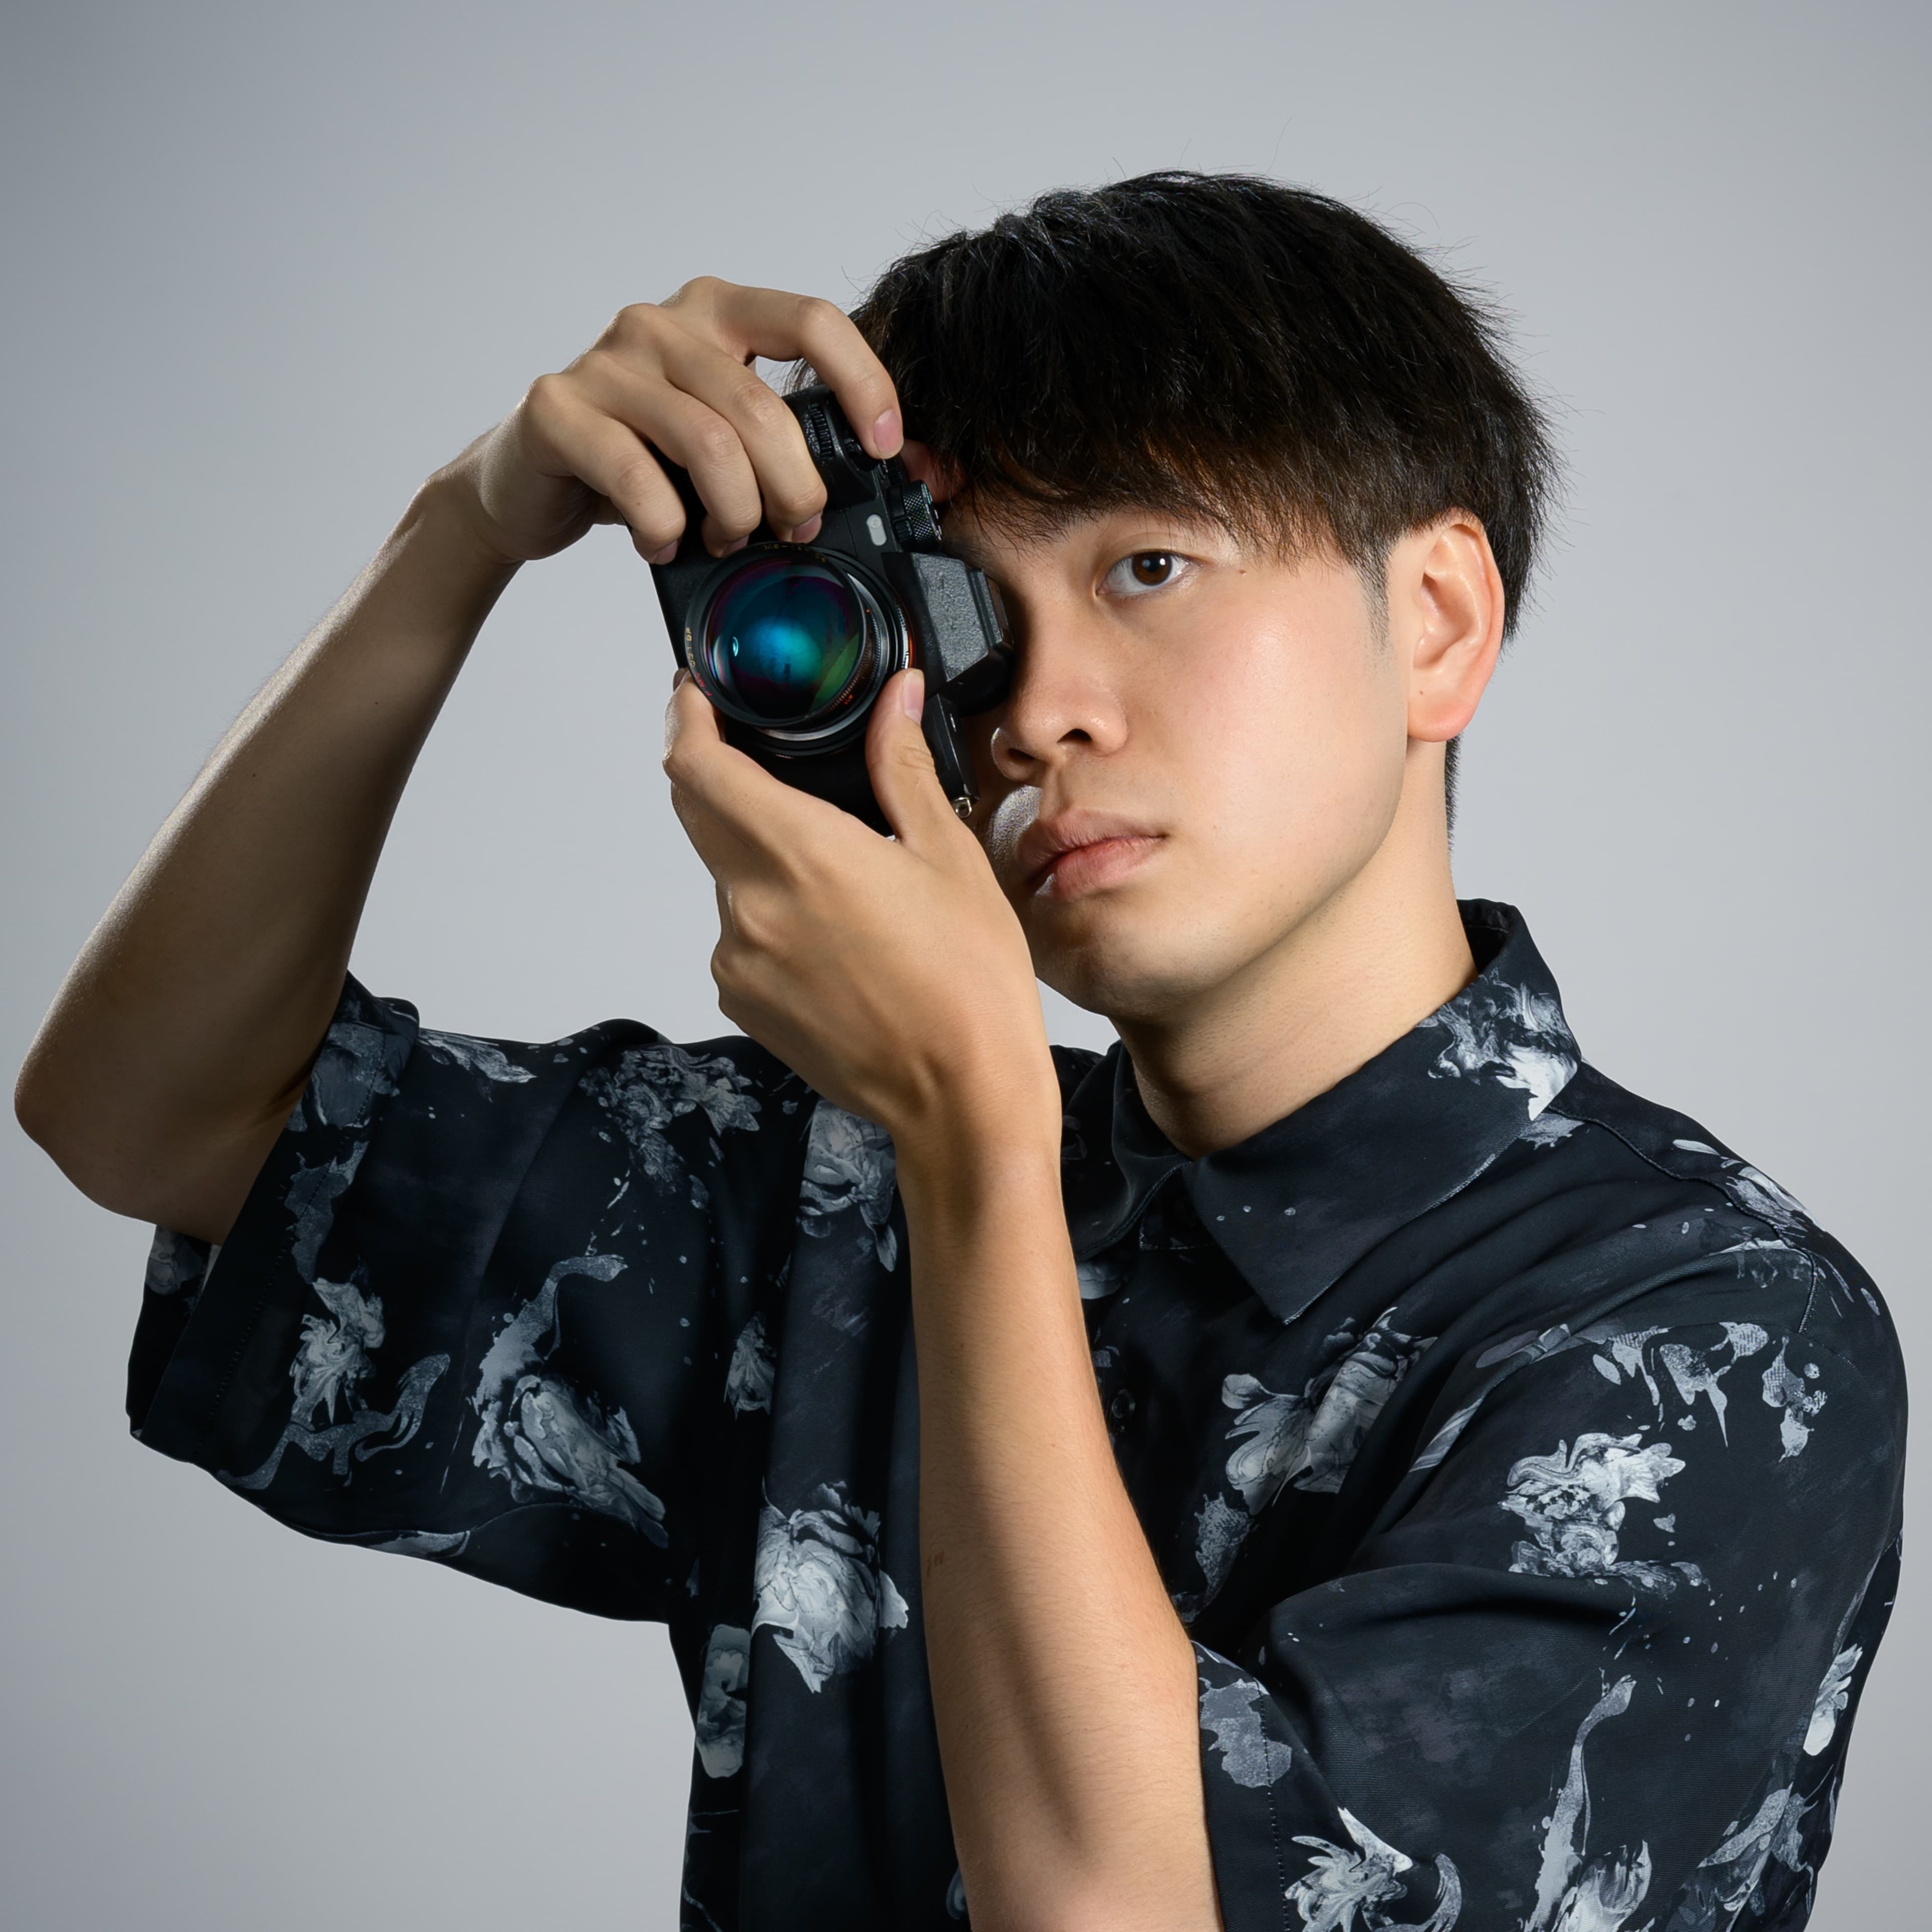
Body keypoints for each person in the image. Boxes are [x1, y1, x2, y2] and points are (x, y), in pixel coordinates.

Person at [15, 174, 1903, 1932]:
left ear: (1435, 621)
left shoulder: (1711, 1324)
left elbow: (1121, 1911)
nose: (1037, 714)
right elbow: (151, 1114)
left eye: (1147, 567)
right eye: (971, 621)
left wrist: (974, 1136)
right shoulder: (851, 1180)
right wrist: (465, 531)